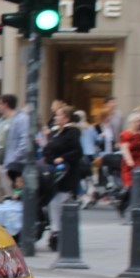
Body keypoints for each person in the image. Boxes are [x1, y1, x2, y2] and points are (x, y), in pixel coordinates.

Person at [43, 105, 82, 250]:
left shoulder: (72, 132)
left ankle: (58, 234)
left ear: (66, 118)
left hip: (66, 174)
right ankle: (55, 232)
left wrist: (62, 158)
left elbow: (77, 152)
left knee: (59, 203)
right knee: (53, 203)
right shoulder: (55, 132)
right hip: (54, 172)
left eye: (58, 115)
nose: (55, 117)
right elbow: (49, 149)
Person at [118, 111, 140, 219]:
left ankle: (138, 207)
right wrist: (130, 162)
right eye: (137, 121)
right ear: (131, 122)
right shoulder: (125, 134)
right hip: (131, 164)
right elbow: (125, 149)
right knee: (131, 187)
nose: (139, 123)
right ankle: (125, 205)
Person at [0, 94, 30, 196]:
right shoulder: (2, 120)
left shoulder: (21, 119)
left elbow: (24, 142)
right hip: (3, 164)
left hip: (13, 165)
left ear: (5, 104)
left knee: (12, 195)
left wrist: (13, 160)